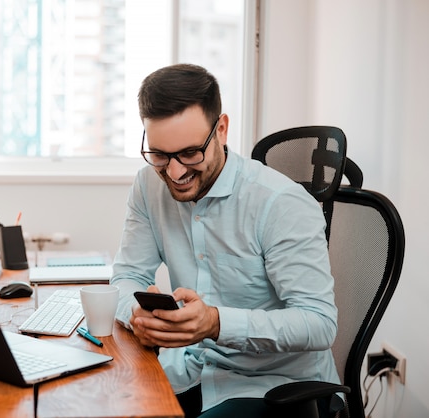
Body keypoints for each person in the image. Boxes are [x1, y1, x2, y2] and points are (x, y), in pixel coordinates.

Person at [110, 63, 340, 417]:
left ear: (222, 129)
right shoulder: (147, 186)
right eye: (159, 155)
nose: (174, 173)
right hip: (189, 371)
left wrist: (216, 323)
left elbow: (319, 323)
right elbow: (127, 276)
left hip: (275, 386)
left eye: (190, 153)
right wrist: (137, 315)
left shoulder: (280, 202)